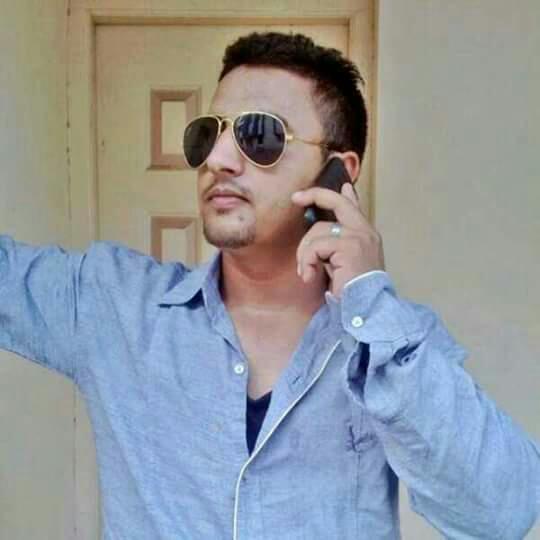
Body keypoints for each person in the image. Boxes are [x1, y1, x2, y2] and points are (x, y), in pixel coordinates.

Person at [0, 31, 538, 540]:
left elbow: (501, 512)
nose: (218, 160)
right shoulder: (113, 305)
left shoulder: (392, 345)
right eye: (207, 134)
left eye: (259, 135)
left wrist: (369, 304)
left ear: (337, 171)